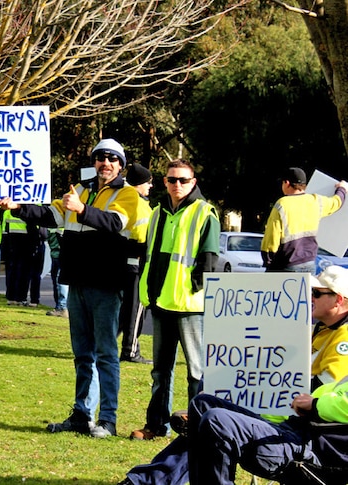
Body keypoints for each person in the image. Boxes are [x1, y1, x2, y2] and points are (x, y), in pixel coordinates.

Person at [119, 265, 348, 485]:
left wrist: (263, 395)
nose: (310, 298)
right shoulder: (323, 329)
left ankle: (148, 481)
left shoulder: (344, 338)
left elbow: (313, 393)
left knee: (214, 420)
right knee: (202, 403)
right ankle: (149, 480)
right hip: (285, 419)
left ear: (339, 300)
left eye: (317, 293)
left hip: (300, 432)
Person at [0, 138, 140, 438]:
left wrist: (80, 209)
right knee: (82, 354)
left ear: (121, 165)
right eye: (100, 158)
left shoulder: (127, 194)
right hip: (77, 282)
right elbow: (51, 215)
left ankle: (108, 420)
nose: (105, 163)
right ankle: (81, 415)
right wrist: (18, 207)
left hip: (105, 285)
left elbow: (114, 222)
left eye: (112, 159)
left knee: (106, 354)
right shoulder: (80, 189)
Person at [130, 159, 219, 441]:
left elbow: (209, 259)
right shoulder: (157, 213)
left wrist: (195, 286)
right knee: (160, 372)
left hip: (190, 305)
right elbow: (150, 255)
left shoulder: (205, 213)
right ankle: (156, 426)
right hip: (160, 302)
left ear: (193, 182)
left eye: (182, 180)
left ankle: (200, 430)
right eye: (171, 179)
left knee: (197, 373)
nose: (176, 184)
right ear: (164, 182)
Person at [261, 167, 348, 272]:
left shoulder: (282, 204)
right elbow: (337, 202)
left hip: (286, 265)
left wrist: (268, 259)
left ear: (287, 183)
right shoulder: (316, 201)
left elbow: (272, 237)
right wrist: (342, 188)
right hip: (309, 263)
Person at [119, 163, 154, 364]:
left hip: (123, 262)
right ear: (140, 183)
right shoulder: (139, 203)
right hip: (136, 264)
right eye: (148, 183)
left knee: (124, 311)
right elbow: (141, 236)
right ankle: (131, 351)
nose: (150, 187)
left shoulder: (122, 197)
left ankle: (100, 345)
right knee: (136, 310)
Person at [46, 227, 69, 317]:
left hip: (59, 254)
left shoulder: (58, 225)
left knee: (60, 281)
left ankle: (62, 307)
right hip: (58, 254)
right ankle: (60, 306)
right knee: (59, 280)